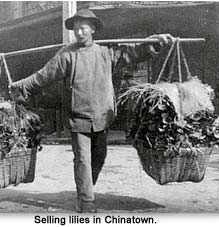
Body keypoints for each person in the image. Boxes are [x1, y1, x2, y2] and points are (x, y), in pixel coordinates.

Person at [10, 9, 174, 213]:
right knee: (83, 160)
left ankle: (86, 186)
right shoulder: (67, 55)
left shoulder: (106, 53)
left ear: (93, 29)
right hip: (78, 118)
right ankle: (86, 201)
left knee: (99, 157)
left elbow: (131, 53)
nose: (79, 33)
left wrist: (154, 42)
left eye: (83, 28)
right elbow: (44, 75)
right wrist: (21, 86)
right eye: (76, 29)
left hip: (102, 117)